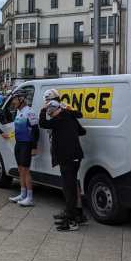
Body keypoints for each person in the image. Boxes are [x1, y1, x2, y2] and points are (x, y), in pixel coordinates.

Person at [39, 90, 87, 230]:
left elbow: (43, 123)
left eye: (50, 111)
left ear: (55, 110)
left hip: (68, 158)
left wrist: (42, 111)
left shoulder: (58, 119)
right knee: (72, 186)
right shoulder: (68, 116)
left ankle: (72, 222)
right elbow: (82, 131)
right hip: (75, 156)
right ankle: (77, 214)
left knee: (69, 188)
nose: (50, 115)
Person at [8, 89, 39, 207]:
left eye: (14, 99)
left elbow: (35, 130)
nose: (13, 102)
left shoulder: (29, 112)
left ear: (21, 99)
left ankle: (30, 198)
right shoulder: (18, 111)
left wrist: (34, 147)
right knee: (20, 170)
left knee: (26, 171)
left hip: (26, 144)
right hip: (19, 144)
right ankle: (22, 194)